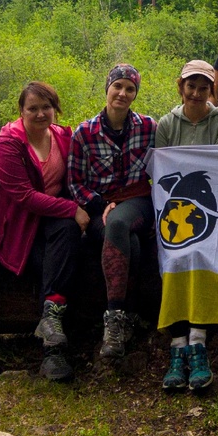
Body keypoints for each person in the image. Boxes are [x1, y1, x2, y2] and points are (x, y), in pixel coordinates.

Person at [0, 81, 90, 383]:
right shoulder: (8, 146)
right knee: (51, 262)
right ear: (21, 111)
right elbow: (24, 198)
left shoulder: (62, 137)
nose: (41, 114)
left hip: (51, 220)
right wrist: (72, 209)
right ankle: (51, 353)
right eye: (33, 108)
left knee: (70, 240)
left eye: (47, 107)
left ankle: (51, 322)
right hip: (17, 227)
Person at [154, 60, 218, 390]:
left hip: (209, 209)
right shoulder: (166, 124)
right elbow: (163, 172)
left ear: (212, 91)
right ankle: (177, 345)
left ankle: (199, 341)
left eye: (204, 87)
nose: (197, 93)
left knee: (202, 254)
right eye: (191, 86)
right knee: (170, 258)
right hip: (172, 210)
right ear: (181, 87)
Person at [68, 63, 157, 361]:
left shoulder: (148, 127)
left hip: (137, 200)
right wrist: (99, 205)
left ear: (135, 94)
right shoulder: (84, 133)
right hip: (98, 206)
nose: (122, 93)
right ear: (107, 88)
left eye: (129, 89)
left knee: (119, 222)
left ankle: (113, 319)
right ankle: (127, 316)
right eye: (117, 86)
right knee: (125, 238)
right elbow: (75, 182)